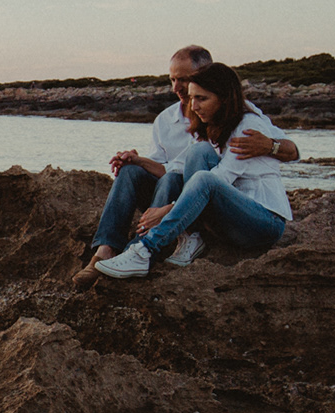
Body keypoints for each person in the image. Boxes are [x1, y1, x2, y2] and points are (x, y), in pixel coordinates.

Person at [73, 46, 295, 286]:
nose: (190, 101)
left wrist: (167, 209)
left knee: (201, 178)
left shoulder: (247, 123)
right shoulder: (195, 123)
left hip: (259, 218)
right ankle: (107, 251)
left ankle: (142, 251)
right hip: (218, 211)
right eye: (174, 81)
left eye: (199, 96)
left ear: (218, 93)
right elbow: (174, 168)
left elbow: (220, 178)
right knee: (183, 159)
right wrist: (137, 160)